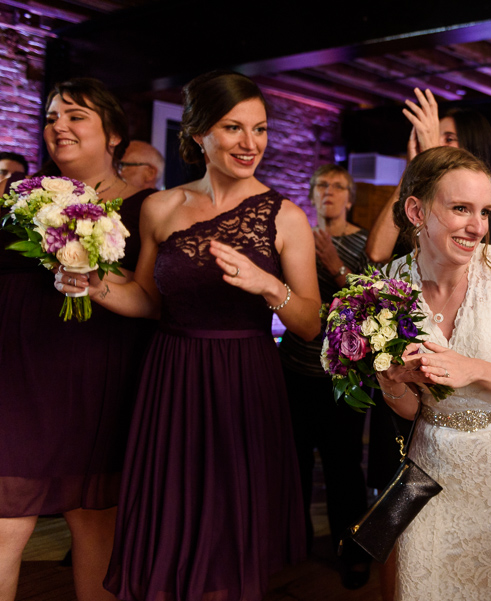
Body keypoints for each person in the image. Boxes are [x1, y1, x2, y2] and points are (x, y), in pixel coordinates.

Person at [56, 71, 322, 601]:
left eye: (260, 129)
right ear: (199, 133)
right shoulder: (160, 207)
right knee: (170, 532)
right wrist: (94, 284)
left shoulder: (286, 217)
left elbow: (312, 322)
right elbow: (150, 301)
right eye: (233, 128)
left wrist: (269, 286)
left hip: (243, 383)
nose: (250, 144)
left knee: (229, 537)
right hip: (171, 379)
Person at [376, 146, 491, 601]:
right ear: (416, 210)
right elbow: (409, 409)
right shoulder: (392, 284)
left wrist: (471, 368)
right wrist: (390, 382)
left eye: (484, 211)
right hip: (430, 466)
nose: (477, 226)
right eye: (461, 209)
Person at [0, 78, 155, 601]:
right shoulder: (22, 200)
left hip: (96, 386)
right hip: (17, 384)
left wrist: (94, 279)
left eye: (75, 115)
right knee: (4, 524)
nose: (57, 126)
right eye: (50, 117)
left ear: (113, 134)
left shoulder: (147, 207)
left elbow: (152, 300)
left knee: (96, 527)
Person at [277, 163, 373, 588]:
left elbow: (372, 306)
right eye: (321, 185)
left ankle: (351, 552)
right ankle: (288, 547)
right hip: (293, 368)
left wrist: (335, 265)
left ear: (349, 197)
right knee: (290, 464)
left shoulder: (366, 242)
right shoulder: (294, 234)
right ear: (312, 194)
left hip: (342, 376)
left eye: (338, 187)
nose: (329, 192)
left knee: (344, 470)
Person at [365, 88, 491, 264]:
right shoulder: (416, 207)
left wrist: (431, 157)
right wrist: (411, 171)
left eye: (449, 139)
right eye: (436, 138)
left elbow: (453, 264)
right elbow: (377, 253)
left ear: (475, 147)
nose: (438, 144)